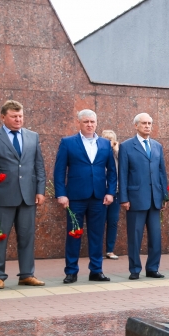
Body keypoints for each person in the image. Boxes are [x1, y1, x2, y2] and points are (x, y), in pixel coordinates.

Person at [0, 100, 46, 289]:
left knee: (27, 237)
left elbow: (38, 165)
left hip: (28, 196)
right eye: (14, 116)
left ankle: (26, 274)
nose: (18, 119)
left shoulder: (32, 136)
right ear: (3, 117)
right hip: (0, 198)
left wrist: (41, 190)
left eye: (21, 116)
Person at [53, 109, 117, 283]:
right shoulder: (67, 143)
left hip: (99, 197)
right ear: (79, 123)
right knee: (74, 234)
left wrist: (111, 192)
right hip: (75, 197)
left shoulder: (105, 144)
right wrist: (61, 194)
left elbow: (112, 171)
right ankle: (71, 271)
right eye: (86, 122)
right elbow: (59, 171)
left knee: (97, 234)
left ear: (96, 123)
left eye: (92, 122)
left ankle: (96, 270)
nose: (89, 125)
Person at [119, 113, 169, 280]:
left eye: (150, 123)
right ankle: (134, 269)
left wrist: (164, 196)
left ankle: (152, 268)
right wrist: (124, 198)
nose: (147, 126)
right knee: (135, 235)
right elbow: (123, 174)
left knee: (155, 236)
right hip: (135, 199)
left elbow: (162, 172)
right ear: (136, 126)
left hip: (155, 199)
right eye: (144, 123)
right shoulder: (126, 146)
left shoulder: (157, 146)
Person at [100, 130, 120, 260]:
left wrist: (116, 150)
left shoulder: (117, 156)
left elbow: (124, 166)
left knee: (113, 221)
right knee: (99, 222)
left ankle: (110, 250)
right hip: (100, 193)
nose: (109, 142)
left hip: (115, 192)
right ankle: (97, 250)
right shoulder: (98, 153)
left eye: (111, 140)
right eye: (106, 139)